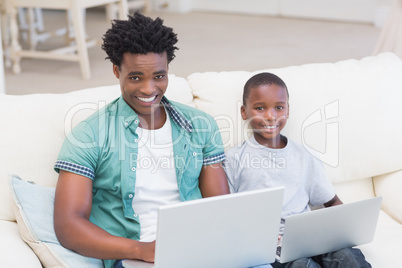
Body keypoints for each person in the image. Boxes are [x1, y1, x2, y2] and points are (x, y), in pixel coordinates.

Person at [53, 12, 229, 268]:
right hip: (134, 257)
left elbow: (220, 207)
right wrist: (142, 250)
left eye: (159, 76)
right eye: (136, 77)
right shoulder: (89, 135)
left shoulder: (200, 126)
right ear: (117, 71)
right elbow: (68, 225)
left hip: (198, 250)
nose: (149, 89)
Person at [223, 72, 371, 268]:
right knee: (303, 265)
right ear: (244, 112)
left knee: (347, 256)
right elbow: (228, 213)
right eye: (260, 108)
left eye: (279, 108)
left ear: (288, 111)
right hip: (273, 250)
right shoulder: (234, 159)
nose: (271, 116)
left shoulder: (304, 156)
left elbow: (332, 201)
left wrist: (346, 230)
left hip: (312, 239)